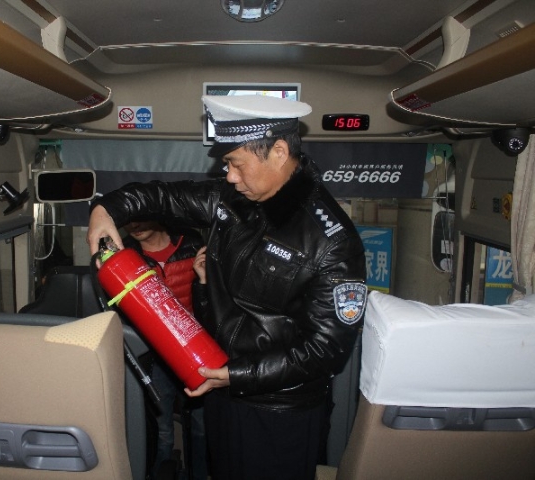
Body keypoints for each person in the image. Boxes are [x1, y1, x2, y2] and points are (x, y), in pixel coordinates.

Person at [88, 94, 367, 480]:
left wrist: (238, 374)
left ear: (279, 152)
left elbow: (325, 350)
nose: (230, 177)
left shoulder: (332, 241)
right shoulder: (230, 201)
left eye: (237, 163)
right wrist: (105, 210)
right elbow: (163, 196)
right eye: (227, 165)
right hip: (222, 390)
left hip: (280, 411)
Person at [121, 220, 208, 480]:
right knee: (162, 430)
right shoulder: (125, 255)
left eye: (140, 217)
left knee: (200, 427)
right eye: (128, 220)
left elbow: (215, 297)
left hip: (194, 352)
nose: (134, 225)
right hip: (154, 355)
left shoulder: (191, 244)